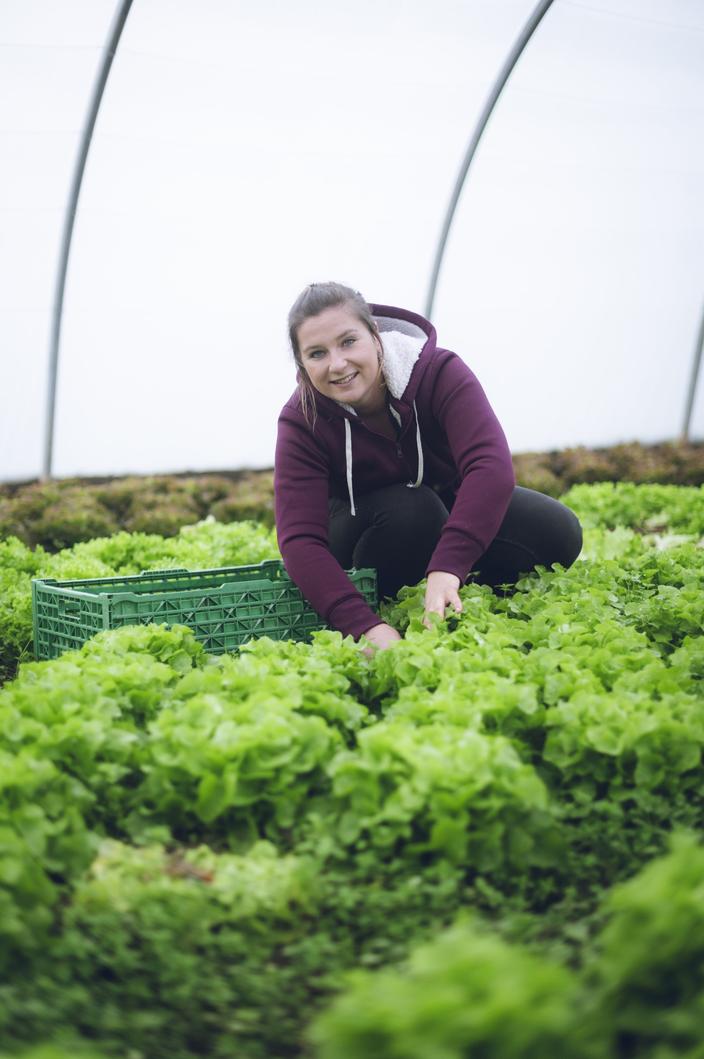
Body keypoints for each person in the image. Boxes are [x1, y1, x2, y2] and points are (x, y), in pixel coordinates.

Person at [274, 281, 582, 651]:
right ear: (302, 364)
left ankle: (451, 594)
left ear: (375, 336)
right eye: (317, 353)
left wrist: (449, 566)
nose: (337, 364)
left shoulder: (439, 372)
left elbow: (489, 466)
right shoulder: (301, 418)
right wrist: (363, 627)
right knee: (415, 509)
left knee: (554, 529)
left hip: (439, 516)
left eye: (348, 341)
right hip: (362, 537)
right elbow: (299, 540)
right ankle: (388, 608)